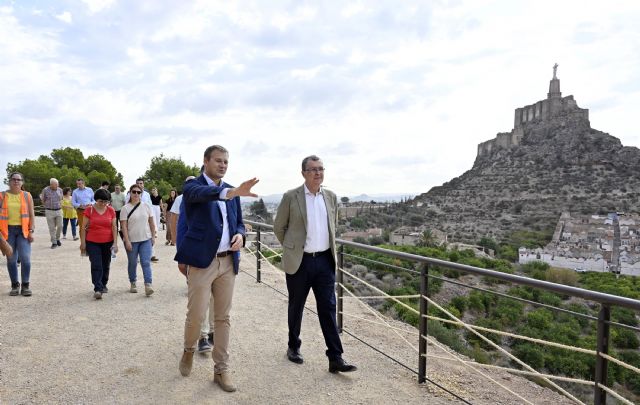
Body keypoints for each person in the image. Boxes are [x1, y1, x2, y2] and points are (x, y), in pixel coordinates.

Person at [174, 145, 258, 392]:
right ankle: (189, 349)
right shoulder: (193, 187)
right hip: (202, 262)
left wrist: (241, 236)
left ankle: (221, 369)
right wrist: (228, 192)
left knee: (223, 318)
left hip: (227, 262)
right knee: (196, 316)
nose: (223, 165)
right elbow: (202, 195)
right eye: (218, 161)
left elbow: (239, 224)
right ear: (206, 161)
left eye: (226, 162)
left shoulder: (232, 191)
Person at [274, 155, 357, 374]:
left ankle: (335, 357)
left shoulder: (330, 196)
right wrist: (293, 249)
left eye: (321, 169)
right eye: (312, 169)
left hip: (324, 261)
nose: (318, 173)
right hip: (300, 262)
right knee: (296, 305)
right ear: (303, 173)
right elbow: (279, 227)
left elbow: (333, 224)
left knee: (328, 308)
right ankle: (293, 347)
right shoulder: (291, 196)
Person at [171, 177, 215, 353]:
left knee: (214, 297)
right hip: (196, 255)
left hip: (217, 256)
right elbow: (181, 226)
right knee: (201, 298)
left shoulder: (215, 195)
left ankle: (212, 331)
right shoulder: (183, 200)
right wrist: (181, 254)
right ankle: (203, 336)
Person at [1, 172, 35, 296]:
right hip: (7, 232)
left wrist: (31, 230)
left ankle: (25, 285)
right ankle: (15, 285)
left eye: (18, 180)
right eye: (13, 179)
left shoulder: (27, 196)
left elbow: (31, 214)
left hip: (23, 232)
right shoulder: (2, 196)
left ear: (22, 182)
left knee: (25, 258)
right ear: (9, 181)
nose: (16, 182)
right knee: (11, 259)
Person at [80, 188, 118, 300]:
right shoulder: (89, 210)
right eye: (101, 201)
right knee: (96, 264)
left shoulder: (111, 210)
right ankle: (97, 288)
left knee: (106, 264)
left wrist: (115, 243)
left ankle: (104, 283)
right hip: (92, 242)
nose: (103, 204)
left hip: (108, 241)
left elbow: (114, 227)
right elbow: (83, 227)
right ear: (96, 199)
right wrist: (83, 243)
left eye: (106, 202)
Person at [120, 184, 156, 296]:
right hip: (132, 240)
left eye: (138, 192)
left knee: (146, 262)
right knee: (132, 263)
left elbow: (151, 222)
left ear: (141, 194)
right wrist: (127, 241)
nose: (136, 194)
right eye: (134, 192)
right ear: (130, 193)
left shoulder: (146, 206)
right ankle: (133, 282)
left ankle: (148, 285)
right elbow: (123, 226)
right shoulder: (125, 208)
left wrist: (153, 237)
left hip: (146, 238)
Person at [126, 179, 158, 262]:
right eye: (138, 183)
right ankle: (137, 256)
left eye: (141, 183)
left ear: (143, 184)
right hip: (135, 218)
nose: (139, 185)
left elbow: (150, 206)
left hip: (146, 217)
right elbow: (126, 206)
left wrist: (152, 218)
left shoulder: (147, 194)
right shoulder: (130, 194)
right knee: (137, 236)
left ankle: (151, 254)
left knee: (150, 234)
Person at [40, 178, 64, 249]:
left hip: (59, 210)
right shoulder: (45, 190)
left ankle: (57, 238)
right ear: (51, 185)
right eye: (56, 184)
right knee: (52, 228)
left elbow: (61, 199)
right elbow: (43, 200)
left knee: (60, 226)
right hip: (49, 211)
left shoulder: (60, 190)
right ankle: (54, 242)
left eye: (57, 184)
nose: (57, 185)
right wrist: (47, 206)